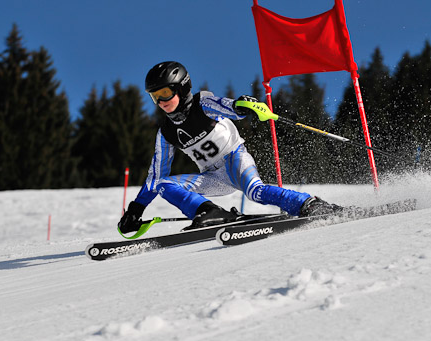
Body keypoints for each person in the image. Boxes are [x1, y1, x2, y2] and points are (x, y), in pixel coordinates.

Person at [118, 61, 341, 233]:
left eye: (165, 93)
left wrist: (243, 105)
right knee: (162, 184)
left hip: (234, 159)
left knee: (255, 192)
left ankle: (308, 204)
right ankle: (209, 212)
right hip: (213, 178)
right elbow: (155, 176)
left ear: (181, 87)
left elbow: (229, 107)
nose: (161, 101)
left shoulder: (202, 105)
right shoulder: (165, 133)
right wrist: (136, 209)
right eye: (154, 96)